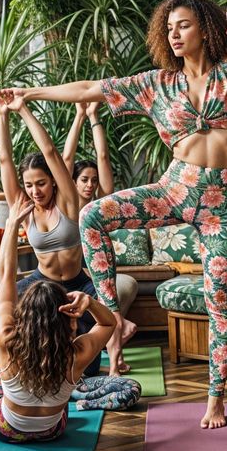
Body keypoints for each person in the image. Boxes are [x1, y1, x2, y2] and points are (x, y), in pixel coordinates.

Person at [6, 0, 227, 428]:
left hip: (221, 203)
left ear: (205, 29)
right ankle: (111, 319)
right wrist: (33, 93)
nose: (174, 31)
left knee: (219, 299)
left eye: (183, 23)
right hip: (175, 186)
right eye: (169, 27)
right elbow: (93, 87)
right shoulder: (157, 84)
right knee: (94, 215)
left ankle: (216, 396)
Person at [0, 195, 141, 443]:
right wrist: (89, 301)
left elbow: (6, 274)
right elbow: (109, 323)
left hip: (6, 429)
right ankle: (68, 396)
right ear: (65, 318)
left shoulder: (7, 340)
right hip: (52, 430)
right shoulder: (76, 354)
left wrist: (12, 224)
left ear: (25, 318)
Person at [0, 90, 138, 376]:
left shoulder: (69, 202)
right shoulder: (23, 207)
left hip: (78, 283)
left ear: (54, 182)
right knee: (3, 315)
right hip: (42, 283)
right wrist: (2, 116)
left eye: (42, 183)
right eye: (30, 185)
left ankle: (114, 357)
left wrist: (22, 109)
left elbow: (51, 153)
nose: (36, 191)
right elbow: (4, 161)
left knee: (89, 366)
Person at [64, 101, 142, 373]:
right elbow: (66, 159)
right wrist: (78, 116)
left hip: (99, 272)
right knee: (112, 313)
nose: (89, 184)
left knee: (116, 306)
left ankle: (114, 365)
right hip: (79, 275)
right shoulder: (68, 204)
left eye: (93, 180)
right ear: (73, 181)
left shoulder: (100, 203)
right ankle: (116, 354)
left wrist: (94, 117)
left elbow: (104, 157)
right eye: (84, 179)